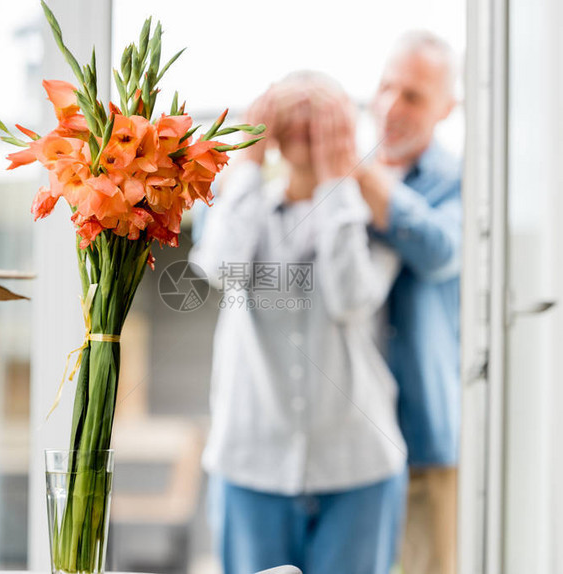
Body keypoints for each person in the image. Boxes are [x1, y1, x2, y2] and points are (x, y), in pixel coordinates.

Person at [189, 72, 407, 574]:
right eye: (293, 112)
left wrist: (337, 181)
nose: (307, 126)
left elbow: (351, 297)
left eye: (322, 115)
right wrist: (247, 157)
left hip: (359, 463)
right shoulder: (245, 209)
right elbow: (221, 268)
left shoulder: (371, 214)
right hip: (250, 461)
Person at [355, 31, 462, 574]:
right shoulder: (346, 178)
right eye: (385, 87)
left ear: (448, 108)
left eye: (414, 95)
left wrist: (371, 185)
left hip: (422, 442)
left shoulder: (459, 181)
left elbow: (441, 251)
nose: (392, 106)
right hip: (353, 446)